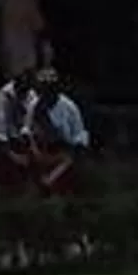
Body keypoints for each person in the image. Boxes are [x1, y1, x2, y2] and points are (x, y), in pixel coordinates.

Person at [27, 64, 90, 194]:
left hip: (64, 149)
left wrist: (76, 146)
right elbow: (28, 130)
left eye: (50, 87)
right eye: (43, 88)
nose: (46, 92)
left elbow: (79, 133)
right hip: (41, 149)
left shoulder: (69, 107)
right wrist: (35, 149)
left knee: (71, 159)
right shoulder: (34, 106)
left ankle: (49, 182)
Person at [0, 66, 36, 178]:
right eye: (22, 90)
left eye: (27, 89)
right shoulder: (3, 98)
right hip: (6, 142)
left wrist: (32, 148)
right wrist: (17, 158)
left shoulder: (31, 95)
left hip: (24, 139)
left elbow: (29, 125)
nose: (25, 94)